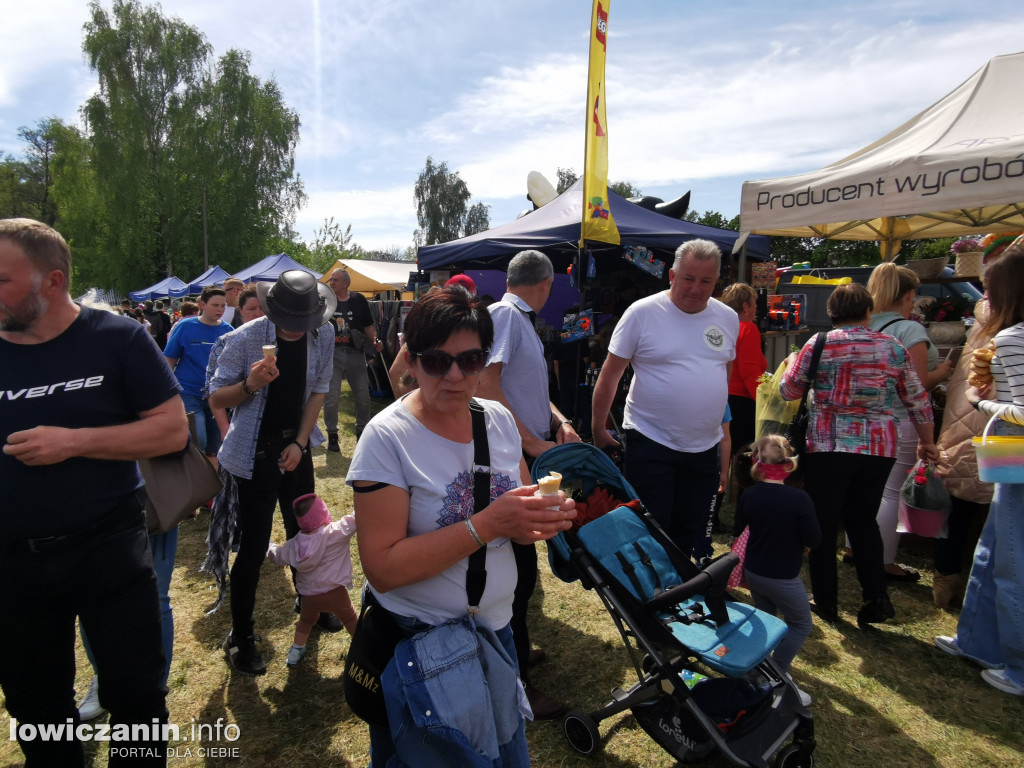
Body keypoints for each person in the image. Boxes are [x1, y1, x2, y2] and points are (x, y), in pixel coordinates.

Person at [347, 286, 577, 765]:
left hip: (496, 633)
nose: (454, 375)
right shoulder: (387, 438)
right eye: (436, 361)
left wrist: (538, 520)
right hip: (421, 643)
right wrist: (489, 524)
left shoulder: (497, 420)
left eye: (470, 360)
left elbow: (515, 511)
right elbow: (383, 568)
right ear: (409, 361)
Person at [0, 218, 189, 766]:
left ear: (52, 282)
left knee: (137, 702)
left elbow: (172, 430)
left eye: (4, 281)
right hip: (13, 566)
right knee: (37, 712)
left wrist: (74, 442)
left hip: (107, 547)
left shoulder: (117, 337)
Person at [780, 283, 937, 627]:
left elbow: (789, 389)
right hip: (879, 449)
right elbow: (917, 398)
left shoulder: (819, 343)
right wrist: (928, 441)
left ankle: (827, 601)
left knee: (822, 523)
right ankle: (876, 595)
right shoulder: (893, 347)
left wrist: (792, 362)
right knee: (862, 521)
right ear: (868, 312)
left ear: (831, 314)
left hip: (828, 446)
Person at [208, 270, 338, 675]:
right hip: (252, 456)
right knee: (253, 548)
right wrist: (250, 384)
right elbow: (216, 396)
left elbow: (318, 389)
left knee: (307, 534)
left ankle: (310, 603)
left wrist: (300, 443)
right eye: (290, 324)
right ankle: (241, 637)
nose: (298, 332)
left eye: (304, 324)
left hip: (294, 449)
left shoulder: (324, 334)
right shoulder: (242, 339)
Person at [476, 249, 580, 719]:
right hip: (507, 456)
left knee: (521, 568)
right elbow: (486, 382)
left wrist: (558, 420)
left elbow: (528, 390)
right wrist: (527, 440)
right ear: (546, 283)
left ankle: (515, 656)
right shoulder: (506, 315)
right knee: (515, 570)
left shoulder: (517, 319)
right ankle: (514, 678)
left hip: (521, 452)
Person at [592, 239, 738, 557]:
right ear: (672, 276)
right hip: (651, 439)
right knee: (652, 527)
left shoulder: (727, 317)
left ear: (717, 282)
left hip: (703, 447)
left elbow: (723, 372)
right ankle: (648, 597)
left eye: (706, 281)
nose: (696, 288)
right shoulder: (642, 313)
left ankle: (679, 595)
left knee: (690, 528)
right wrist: (599, 427)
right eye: (688, 278)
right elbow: (610, 373)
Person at [935, 240, 1024, 697]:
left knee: (1011, 555)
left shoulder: (1010, 338)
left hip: (1014, 445)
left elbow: (1021, 410)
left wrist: (979, 400)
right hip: (1005, 446)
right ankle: (977, 640)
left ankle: (1017, 664)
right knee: (992, 547)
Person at [845, 263, 953, 582]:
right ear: (908, 295)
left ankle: (854, 548)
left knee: (863, 490)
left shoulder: (863, 324)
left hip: (863, 419)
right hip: (899, 421)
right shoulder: (910, 331)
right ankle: (883, 560)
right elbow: (916, 387)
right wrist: (944, 373)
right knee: (889, 493)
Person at [932, 244, 1009, 608]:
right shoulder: (1008, 334)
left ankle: (946, 584)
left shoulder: (982, 327)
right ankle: (986, 598)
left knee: (961, 512)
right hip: (1001, 436)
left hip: (968, 430)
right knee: (1003, 518)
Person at [734, 435, 821, 704]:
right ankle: (776, 674)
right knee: (801, 623)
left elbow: (740, 530)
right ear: (788, 465)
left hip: (755, 573)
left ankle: (756, 668)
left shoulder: (749, 495)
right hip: (782, 576)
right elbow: (814, 537)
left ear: (756, 464)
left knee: (767, 622)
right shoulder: (799, 499)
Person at [267, 493, 358, 667]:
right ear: (324, 514)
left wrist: (269, 544)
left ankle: (295, 651)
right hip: (335, 592)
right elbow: (355, 519)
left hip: (309, 597)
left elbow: (277, 556)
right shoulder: (334, 532)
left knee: (306, 621)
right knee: (350, 618)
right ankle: (361, 646)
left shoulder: (294, 544)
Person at [164, 285, 232, 467]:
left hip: (217, 395)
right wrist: (164, 390)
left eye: (223, 306)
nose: (220, 310)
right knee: (197, 438)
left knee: (215, 445)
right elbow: (169, 359)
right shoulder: (185, 326)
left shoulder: (228, 330)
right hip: (189, 392)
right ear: (202, 304)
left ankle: (212, 489)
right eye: (215, 305)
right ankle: (191, 481)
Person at [323, 269, 383, 451]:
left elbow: (368, 326)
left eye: (335, 280)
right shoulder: (324, 300)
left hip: (356, 353)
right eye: (331, 280)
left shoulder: (358, 300)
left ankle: (362, 433)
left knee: (363, 396)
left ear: (346, 283)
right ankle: (332, 435)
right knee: (331, 397)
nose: (331, 283)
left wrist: (375, 341)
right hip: (332, 354)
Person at [721, 282, 767, 457]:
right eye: (755, 303)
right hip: (742, 402)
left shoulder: (724, 328)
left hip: (724, 398)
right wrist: (763, 404)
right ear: (746, 307)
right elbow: (750, 371)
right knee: (743, 455)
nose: (756, 308)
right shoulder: (748, 329)